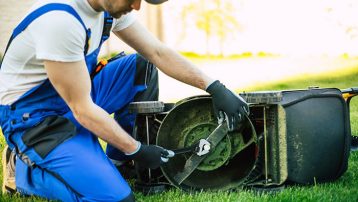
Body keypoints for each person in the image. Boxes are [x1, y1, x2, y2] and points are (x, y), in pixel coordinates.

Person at [0, 0, 249, 201]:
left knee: (143, 67)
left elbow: (156, 52)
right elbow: (83, 110)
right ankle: (23, 171)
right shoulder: (60, 20)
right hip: (36, 120)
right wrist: (137, 149)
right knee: (115, 199)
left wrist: (214, 87)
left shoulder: (107, 8)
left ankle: (117, 163)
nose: (138, 6)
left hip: (75, 91)